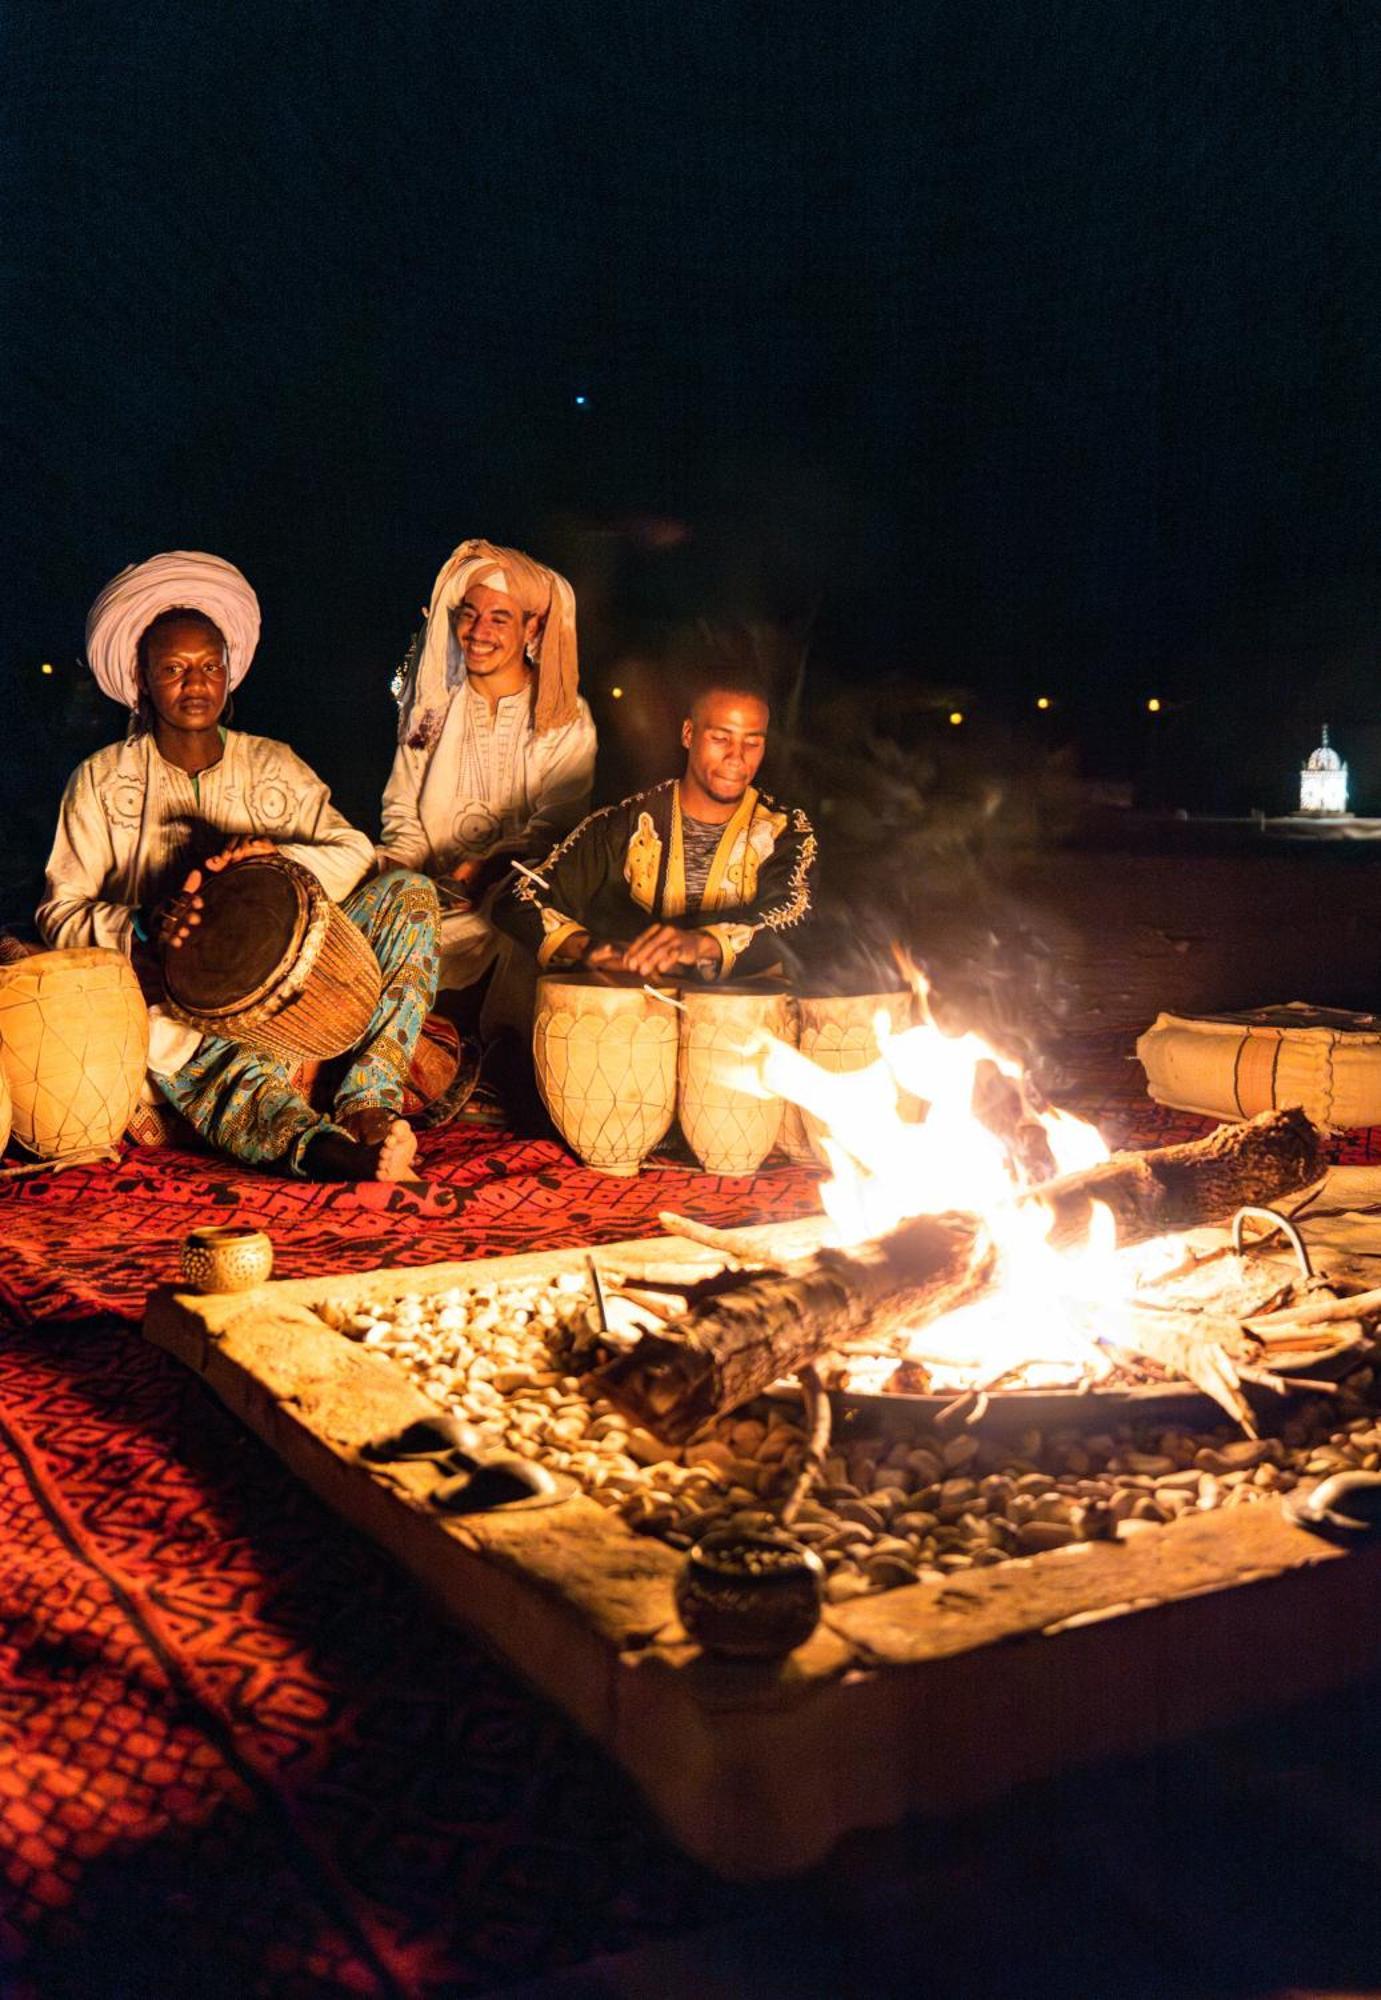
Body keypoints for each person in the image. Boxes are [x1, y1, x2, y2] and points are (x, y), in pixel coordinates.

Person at [37, 550, 440, 1180]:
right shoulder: (99, 779)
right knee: (227, 1080)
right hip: (178, 1007)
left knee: (410, 895)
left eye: (209, 666)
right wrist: (143, 923)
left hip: (300, 980)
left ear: (228, 674)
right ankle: (338, 1156)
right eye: (173, 668)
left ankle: (368, 1102)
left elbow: (355, 852)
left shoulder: (273, 763)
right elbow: (60, 911)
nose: (194, 684)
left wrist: (274, 855)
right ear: (142, 678)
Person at [378, 539, 596, 1020]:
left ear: (532, 627)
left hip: (512, 899)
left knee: (520, 921)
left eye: (499, 618)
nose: (478, 632)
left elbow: (558, 826)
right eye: (469, 614)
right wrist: (403, 874)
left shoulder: (564, 719)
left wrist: (488, 867)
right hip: (430, 895)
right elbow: (403, 813)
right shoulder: (431, 708)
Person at [494, 677, 816, 980]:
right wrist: (592, 948)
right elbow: (519, 899)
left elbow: (794, 919)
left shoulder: (784, 833)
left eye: (752, 742)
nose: (737, 757)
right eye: (720, 738)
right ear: (688, 734)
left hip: (743, 1027)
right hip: (638, 1024)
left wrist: (700, 943)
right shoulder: (624, 824)